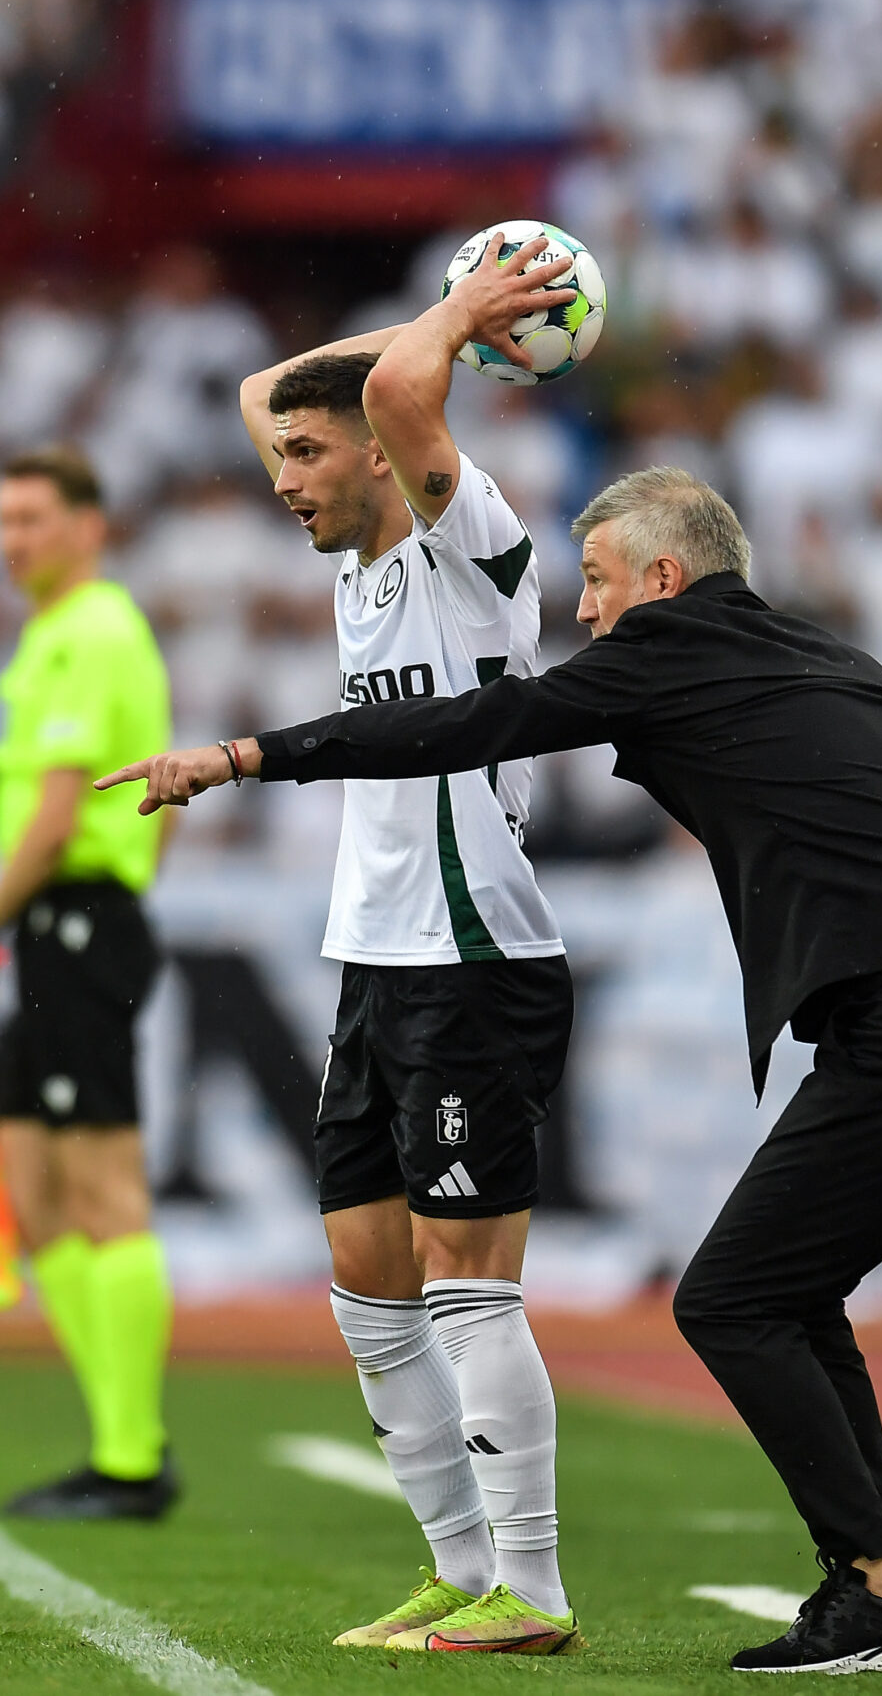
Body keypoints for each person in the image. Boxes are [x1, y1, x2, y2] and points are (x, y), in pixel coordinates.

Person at [102, 465, 882, 1675]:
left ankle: (878, 1586)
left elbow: (464, 728)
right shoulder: (834, 661)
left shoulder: (669, 651)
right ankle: (876, 1586)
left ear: (665, 578)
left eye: (599, 583)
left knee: (731, 1300)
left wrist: (248, 754)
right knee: (788, 1294)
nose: (586, 613)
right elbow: (875, 849)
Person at [218, 236, 590, 1654]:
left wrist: (452, 332)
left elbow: (397, 402)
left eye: (309, 457)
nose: (286, 477)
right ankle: (454, 1563)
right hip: (374, 955)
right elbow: (268, 382)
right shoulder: (358, 563)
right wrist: (446, 312)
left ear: (382, 449)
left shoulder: (470, 544)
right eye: (281, 467)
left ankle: (535, 1588)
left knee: (462, 1273)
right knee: (368, 1277)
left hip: (475, 954)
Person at [0, 447, 178, 1520]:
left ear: (91, 525)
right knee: (34, 1190)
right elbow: (159, 802)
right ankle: (116, 1441)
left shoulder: (91, 630)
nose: (12, 541)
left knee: (99, 1187)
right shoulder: (59, 632)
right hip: (61, 924)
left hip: (71, 918)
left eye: (33, 518)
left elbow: (54, 812)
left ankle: (131, 1460)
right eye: (2, 520)